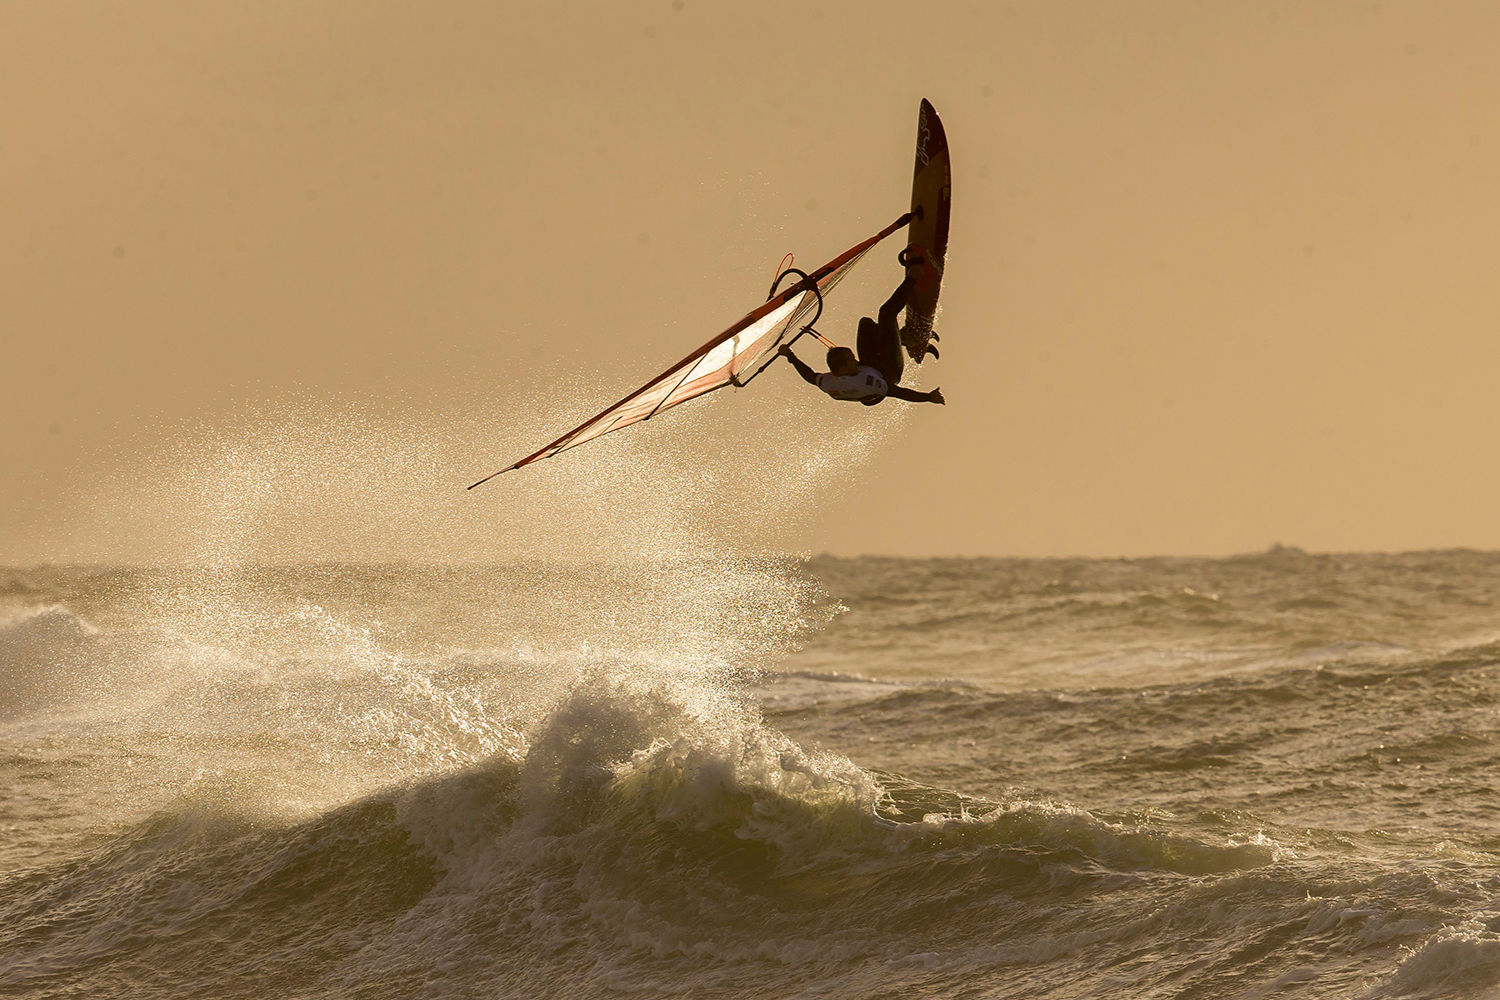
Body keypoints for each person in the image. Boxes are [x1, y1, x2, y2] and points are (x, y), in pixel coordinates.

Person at [778, 257, 945, 407]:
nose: (855, 361)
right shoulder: (865, 383)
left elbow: (810, 376)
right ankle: (914, 277)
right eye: (852, 361)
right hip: (890, 370)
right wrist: (928, 397)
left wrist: (790, 356)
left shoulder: (829, 382)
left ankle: (901, 338)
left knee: (866, 324)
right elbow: (899, 393)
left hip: (872, 366)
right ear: (843, 369)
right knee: (886, 313)